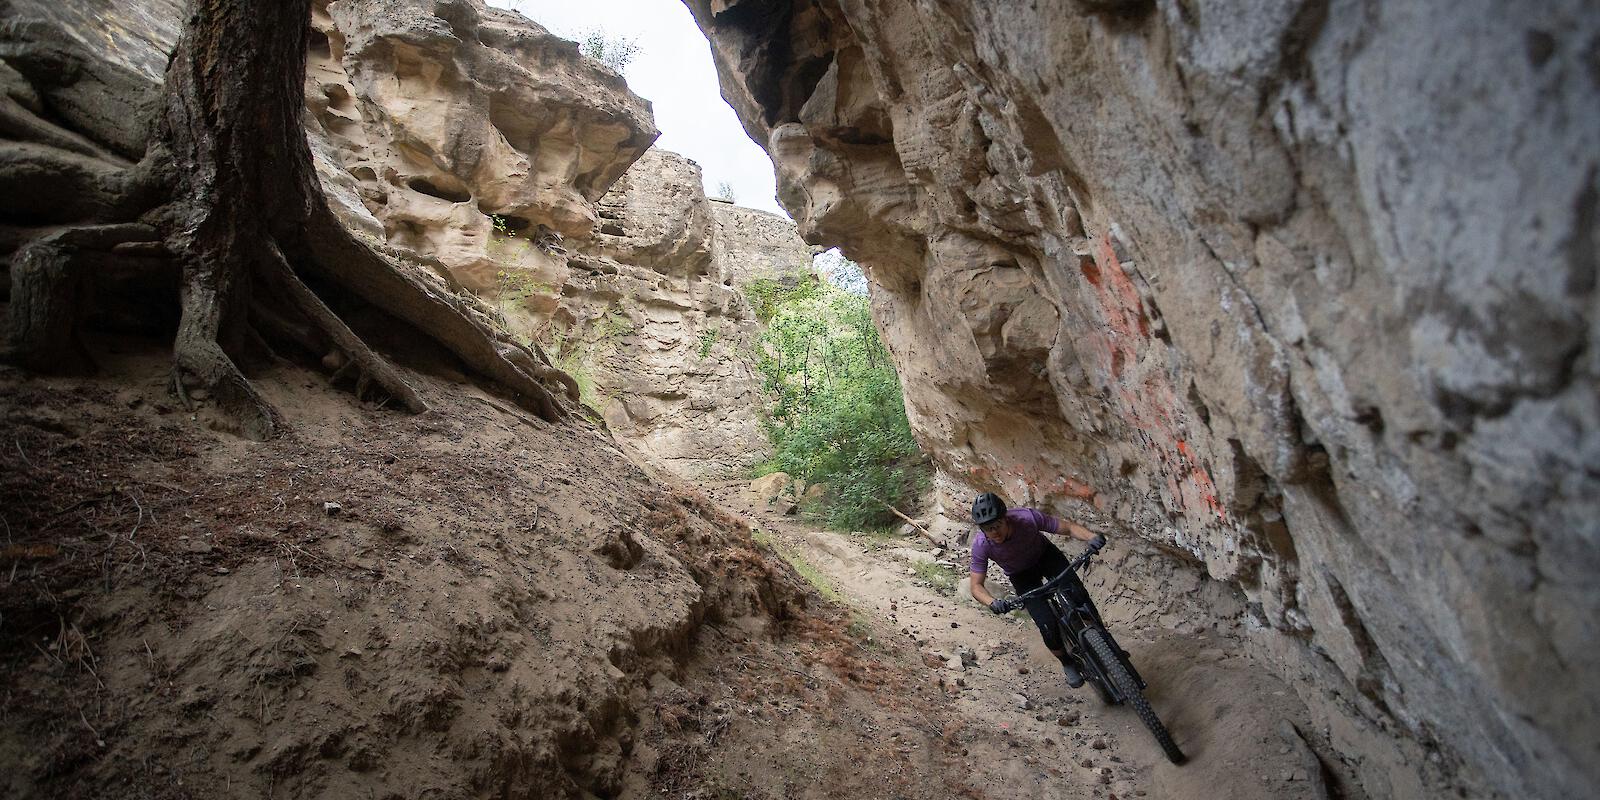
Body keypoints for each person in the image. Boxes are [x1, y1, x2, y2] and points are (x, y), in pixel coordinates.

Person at [966, 491, 1105, 687]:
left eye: (997, 525)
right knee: (1047, 626)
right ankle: (1067, 662)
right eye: (988, 529)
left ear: (1006, 519)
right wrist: (993, 602)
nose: (994, 532)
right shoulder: (982, 545)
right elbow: (976, 585)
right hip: (1022, 576)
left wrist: (1091, 537)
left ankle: (1103, 641)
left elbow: (1068, 527)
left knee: (1078, 596)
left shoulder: (1026, 518)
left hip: (1047, 557)